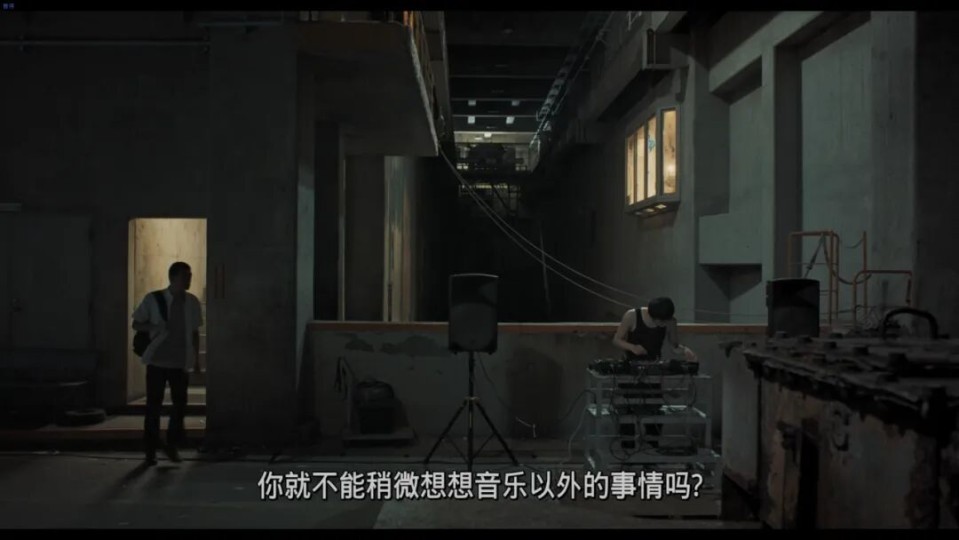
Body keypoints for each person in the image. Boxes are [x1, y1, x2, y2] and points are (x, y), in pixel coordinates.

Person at [132, 261, 203, 465]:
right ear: (173, 277)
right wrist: (155, 326)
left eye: (190, 275)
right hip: (157, 362)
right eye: (185, 276)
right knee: (153, 406)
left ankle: (172, 445)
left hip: (180, 363)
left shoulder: (192, 302)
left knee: (180, 406)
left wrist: (196, 359)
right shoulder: (154, 299)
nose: (189, 279)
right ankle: (150, 450)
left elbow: (195, 332)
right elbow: (136, 323)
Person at [612, 297, 697, 363]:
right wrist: (633, 347)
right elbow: (616, 340)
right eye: (661, 321)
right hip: (631, 363)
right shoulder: (632, 315)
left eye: (666, 321)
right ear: (651, 315)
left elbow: (674, 346)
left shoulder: (671, 321)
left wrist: (685, 350)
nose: (664, 324)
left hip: (654, 364)